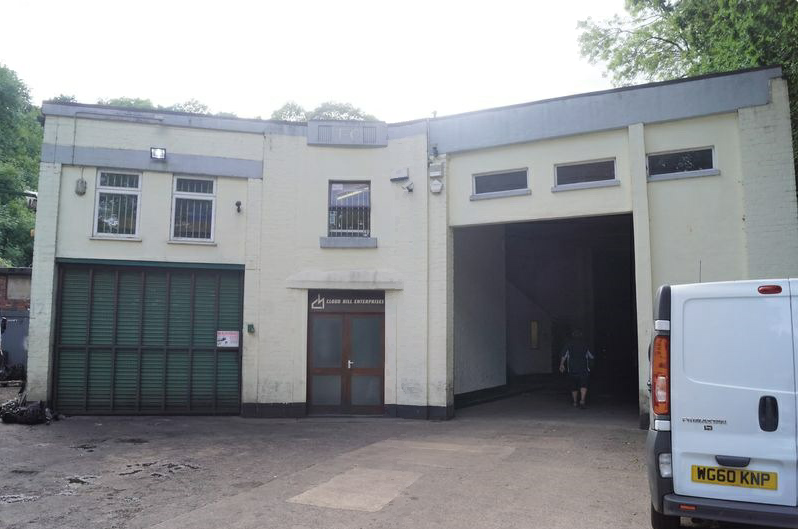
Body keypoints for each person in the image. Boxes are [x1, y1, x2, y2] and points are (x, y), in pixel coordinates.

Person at [559, 328, 594, 409]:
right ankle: (582, 400)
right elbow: (591, 356)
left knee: (574, 386)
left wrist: (561, 365)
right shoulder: (586, 345)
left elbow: (564, 355)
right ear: (581, 336)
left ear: (572, 336)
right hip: (584, 369)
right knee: (583, 385)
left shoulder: (568, 344)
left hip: (572, 369)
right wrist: (591, 365)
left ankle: (575, 402)